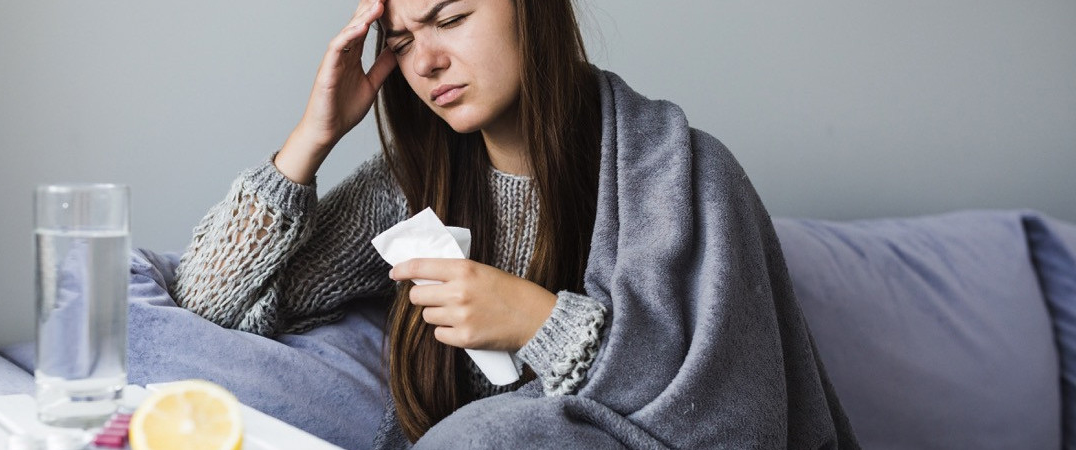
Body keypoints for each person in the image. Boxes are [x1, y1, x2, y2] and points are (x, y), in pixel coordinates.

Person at [173, 0, 858, 448]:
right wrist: (311, 137)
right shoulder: (411, 188)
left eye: (452, 17)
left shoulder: (684, 173)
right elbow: (205, 303)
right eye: (403, 40)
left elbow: (740, 418)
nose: (425, 61)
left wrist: (541, 324)